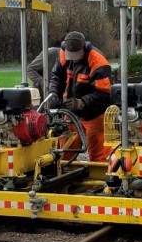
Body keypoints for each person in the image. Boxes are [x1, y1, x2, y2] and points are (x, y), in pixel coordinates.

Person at [48, 31, 112, 162]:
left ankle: (99, 179)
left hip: (94, 115)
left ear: (84, 48)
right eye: (71, 56)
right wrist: (54, 94)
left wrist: (81, 103)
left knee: (99, 159)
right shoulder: (63, 54)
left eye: (77, 55)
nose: (74, 59)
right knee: (65, 153)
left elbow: (104, 94)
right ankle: (68, 176)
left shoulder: (98, 60)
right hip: (71, 113)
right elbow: (56, 78)